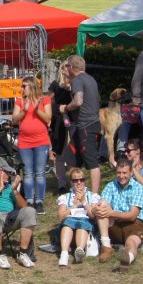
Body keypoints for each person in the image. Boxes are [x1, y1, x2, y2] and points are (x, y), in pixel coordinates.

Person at [94, 159, 143, 269]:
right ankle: (106, 246)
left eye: (124, 173)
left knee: (131, 243)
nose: (121, 176)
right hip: (114, 224)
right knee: (102, 205)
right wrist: (98, 208)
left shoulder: (138, 188)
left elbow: (132, 216)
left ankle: (128, 258)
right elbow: (102, 205)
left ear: (131, 173)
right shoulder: (110, 186)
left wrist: (111, 213)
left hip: (134, 224)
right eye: (119, 173)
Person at [62, 54, 102, 197]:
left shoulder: (78, 80)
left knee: (92, 161)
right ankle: (76, 190)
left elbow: (78, 101)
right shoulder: (91, 79)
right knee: (71, 158)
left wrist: (66, 108)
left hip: (87, 125)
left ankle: (95, 195)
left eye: (67, 66)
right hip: (84, 125)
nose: (66, 69)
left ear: (71, 67)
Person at [11, 75, 52, 214]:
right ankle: (29, 200)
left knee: (40, 172)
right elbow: (14, 119)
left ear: (32, 86)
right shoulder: (19, 101)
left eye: (24, 86)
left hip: (41, 141)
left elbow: (48, 118)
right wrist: (24, 110)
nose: (22, 89)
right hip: (25, 142)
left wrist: (37, 109)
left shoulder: (44, 100)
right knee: (28, 172)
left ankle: (39, 201)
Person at [56, 167, 98, 267]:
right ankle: (64, 253)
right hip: (69, 223)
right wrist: (73, 207)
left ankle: (79, 250)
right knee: (67, 224)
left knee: (82, 224)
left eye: (81, 179)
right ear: (71, 182)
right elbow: (60, 217)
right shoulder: (65, 197)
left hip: (86, 223)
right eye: (75, 180)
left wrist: (84, 202)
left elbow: (93, 216)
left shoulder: (92, 196)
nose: (79, 182)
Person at [48, 61, 74, 193]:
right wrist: (57, 108)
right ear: (62, 69)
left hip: (73, 119)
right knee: (60, 153)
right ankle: (62, 183)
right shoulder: (56, 84)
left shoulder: (75, 83)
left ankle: (74, 182)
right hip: (59, 120)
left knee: (73, 151)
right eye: (66, 67)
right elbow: (48, 101)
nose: (68, 69)